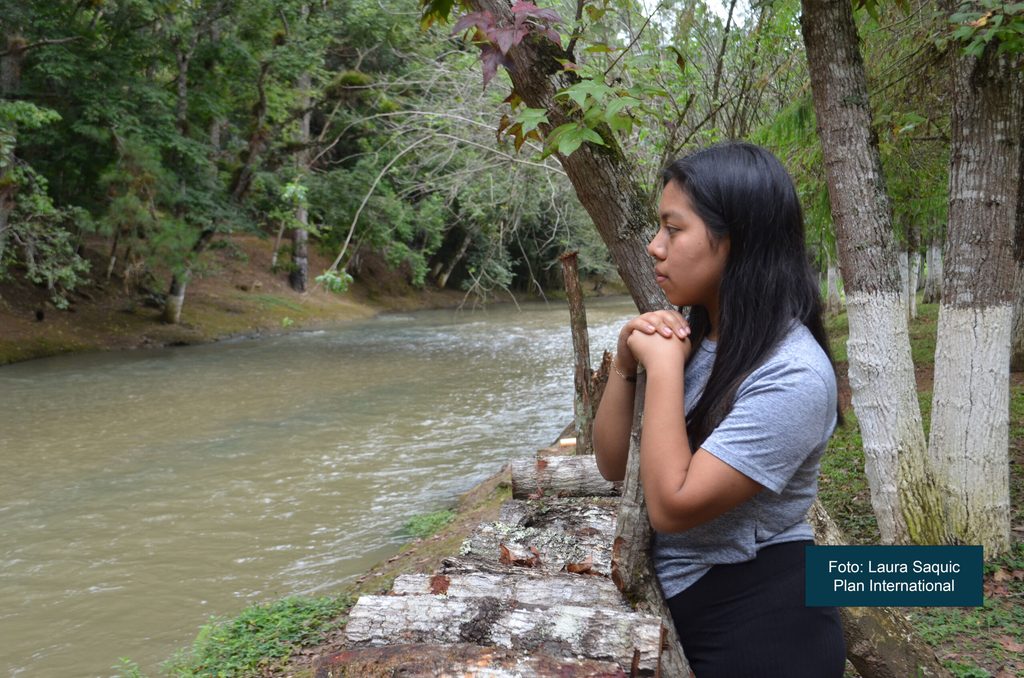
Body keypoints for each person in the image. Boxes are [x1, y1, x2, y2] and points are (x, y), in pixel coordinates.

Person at [593, 141, 846, 677]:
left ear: (735, 239)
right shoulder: (700, 334)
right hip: (692, 606)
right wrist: (625, 362)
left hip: (763, 627)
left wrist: (661, 371)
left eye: (673, 229)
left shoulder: (793, 374)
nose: (654, 246)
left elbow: (673, 507)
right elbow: (615, 466)